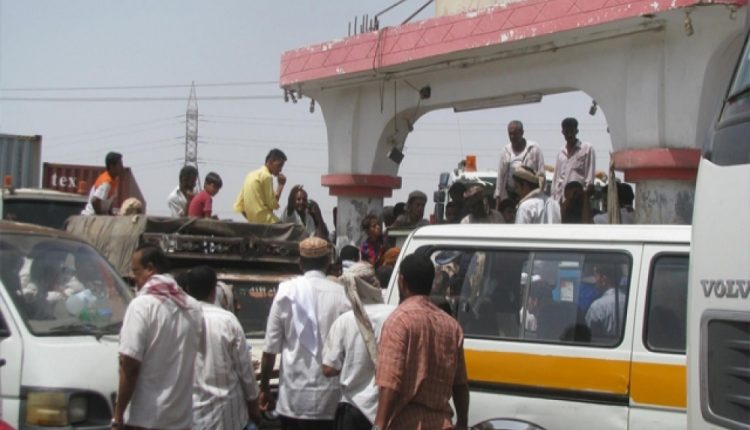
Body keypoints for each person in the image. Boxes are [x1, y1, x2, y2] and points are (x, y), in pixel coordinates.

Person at [259, 237, 352, 429]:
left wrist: (265, 388)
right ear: (327, 263)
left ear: (300, 263)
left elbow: (269, 350)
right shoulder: (342, 295)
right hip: (331, 400)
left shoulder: (286, 292)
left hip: (293, 400)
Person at [373, 253, 469, 430]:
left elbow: (390, 383)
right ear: (431, 283)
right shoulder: (451, 325)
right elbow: (460, 383)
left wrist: (379, 426)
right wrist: (463, 422)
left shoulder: (399, 322)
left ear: (402, 281)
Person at [113, 246, 204, 430]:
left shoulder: (142, 305)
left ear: (150, 269)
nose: (134, 278)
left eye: (135, 271)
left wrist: (118, 415)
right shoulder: (193, 307)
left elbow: (130, 366)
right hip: (181, 420)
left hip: (146, 420)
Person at [186, 266, 262, 430]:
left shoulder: (178, 319)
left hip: (192, 417)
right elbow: (245, 371)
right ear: (213, 291)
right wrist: (254, 408)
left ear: (188, 290)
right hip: (229, 417)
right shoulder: (228, 321)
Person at [322, 263, 394, 430]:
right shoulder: (395, 314)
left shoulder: (345, 320)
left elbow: (328, 369)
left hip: (354, 408)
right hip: (388, 410)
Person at [495, 120, 546, 204]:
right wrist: (498, 200)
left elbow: (541, 174)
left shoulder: (534, 149)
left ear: (522, 132)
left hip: (531, 195)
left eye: (515, 134)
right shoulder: (505, 151)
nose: (512, 137)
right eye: (510, 134)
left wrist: (541, 196)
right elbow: (500, 177)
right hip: (511, 196)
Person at [234, 148, 287, 223]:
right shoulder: (267, 176)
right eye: (279, 166)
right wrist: (280, 186)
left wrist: (252, 220)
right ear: (270, 161)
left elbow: (239, 205)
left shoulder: (249, 175)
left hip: (253, 222)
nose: (280, 170)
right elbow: (272, 204)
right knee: (290, 228)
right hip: (267, 220)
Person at [552, 117, 595, 203]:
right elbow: (556, 179)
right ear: (562, 132)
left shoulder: (586, 149)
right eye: (567, 132)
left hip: (578, 200)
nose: (569, 135)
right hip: (560, 200)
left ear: (577, 131)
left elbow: (589, 179)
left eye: (572, 131)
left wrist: (584, 197)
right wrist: (554, 198)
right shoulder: (561, 152)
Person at [585, 264, 626, 337]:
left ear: (604, 280)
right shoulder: (628, 302)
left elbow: (587, 335)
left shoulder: (598, 306)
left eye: (596, 276)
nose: (594, 281)